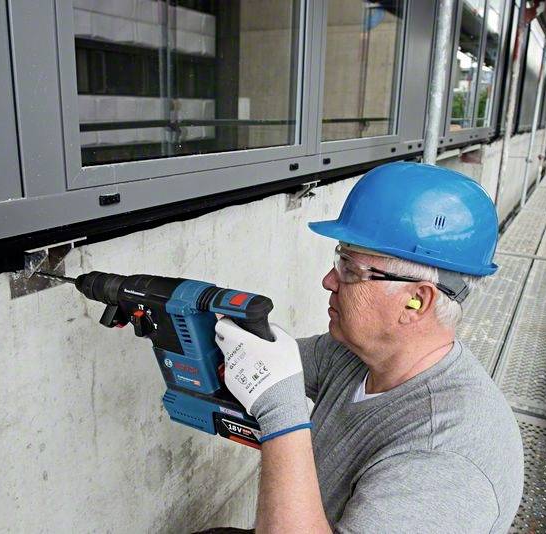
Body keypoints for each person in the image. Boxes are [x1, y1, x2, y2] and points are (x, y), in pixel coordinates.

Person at [214, 162, 524, 533]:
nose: (329, 280)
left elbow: (276, 391)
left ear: (416, 302)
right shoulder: (359, 357)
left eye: (349, 268)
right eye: (337, 259)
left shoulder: (443, 461)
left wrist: (282, 414)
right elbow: (268, 362)